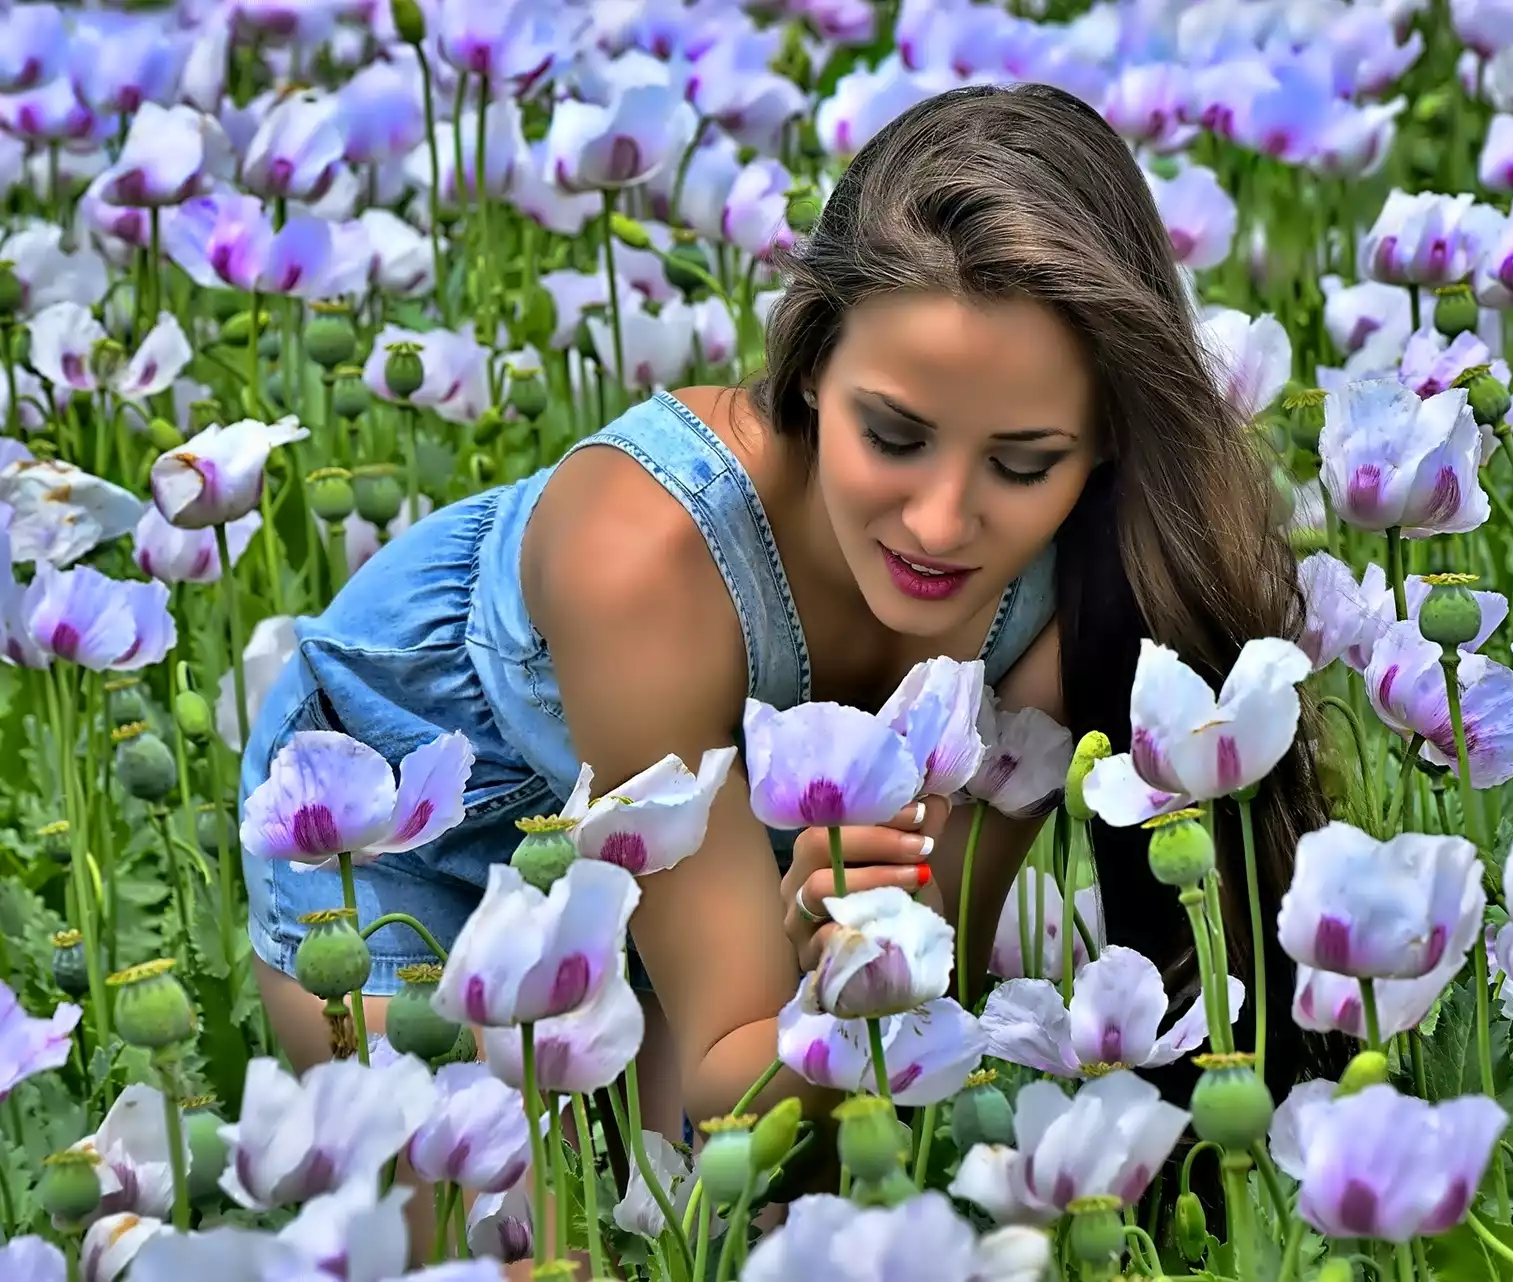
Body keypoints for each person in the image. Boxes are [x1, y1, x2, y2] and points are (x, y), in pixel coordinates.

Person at [239, 81, 1332, 1141]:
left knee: (741, 1202)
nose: (943, 524)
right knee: (514, 1236)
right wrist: (810, 977)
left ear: (1101, 445)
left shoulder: (1064, 596)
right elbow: (735, 1073)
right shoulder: (648, 559)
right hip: (407, 844)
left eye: (1022, 461)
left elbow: (906, 984)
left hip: (696, 868)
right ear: (809, 366)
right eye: (894, 436)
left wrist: (845, 953)